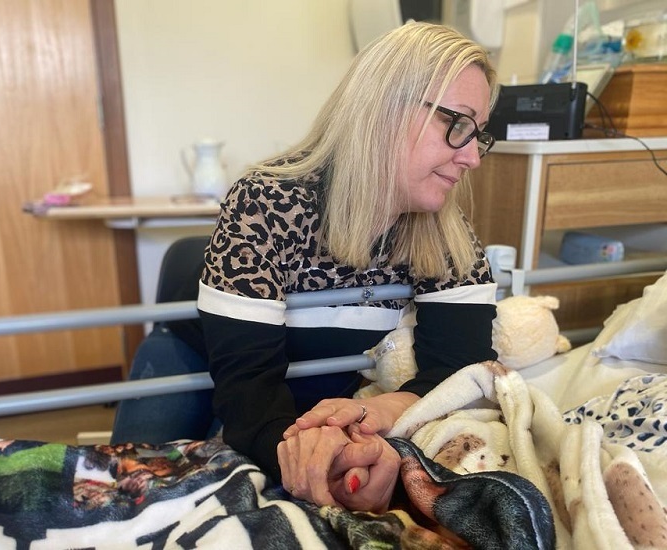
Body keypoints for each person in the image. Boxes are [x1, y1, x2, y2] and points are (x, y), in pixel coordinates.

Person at [114, 20, 499, 514]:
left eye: (477, 135)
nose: (472, 158)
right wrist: (299, 458)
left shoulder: (444, 229)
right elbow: (249, 391)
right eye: (458, 125)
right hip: (206, 359)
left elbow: (460, 371)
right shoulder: (267, 201)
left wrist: (373, 417)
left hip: (324, 378)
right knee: (129, 491)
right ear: (385, 109)